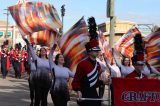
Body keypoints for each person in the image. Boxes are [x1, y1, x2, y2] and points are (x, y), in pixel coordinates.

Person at [72, 39, 103, 106]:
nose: (97, 52)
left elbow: (94, 83)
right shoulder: (82, 64)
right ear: (89, 52)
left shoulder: (98, 65)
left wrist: (103, 82)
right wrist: (78, 91)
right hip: (84, 95)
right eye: (95, 50)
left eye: (98, 50)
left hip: (94, 95)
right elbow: (75, 81)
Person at [23, 38, 52, 106]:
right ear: (39, 52)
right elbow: (31, 52)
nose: (43, 51)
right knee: (37, 97)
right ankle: (33, 101)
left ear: (46, 52)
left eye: (44, 50)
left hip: (47, 81)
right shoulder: (37, 59)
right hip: (38, 80)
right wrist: (27, 42)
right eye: (41, 50)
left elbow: (53, 71)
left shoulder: (49, 61)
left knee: (44, 98)